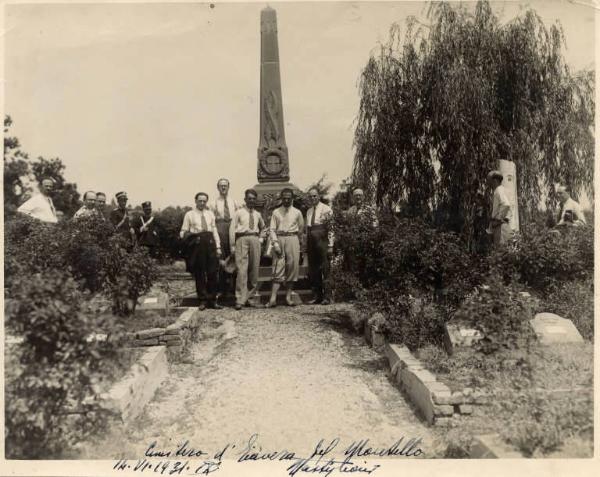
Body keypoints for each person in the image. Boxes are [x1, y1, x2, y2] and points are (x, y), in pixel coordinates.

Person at [180, 192, 222, 310]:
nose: (202, 203)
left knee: (213, 272)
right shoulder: (189, 214)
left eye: (204, 201)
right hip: (198, 244)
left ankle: (213, 300)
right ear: (195, 201)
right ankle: (203, 300)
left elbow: (214, 231)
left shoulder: (210, 214)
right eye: (200, 201)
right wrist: (191, 237)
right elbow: (183, 231)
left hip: (210, 243)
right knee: (200, 273)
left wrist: (218, 247)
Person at [267, 188, 304, 307]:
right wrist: (276, 244)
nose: (286, 200)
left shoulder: (297, 212)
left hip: (293, 239)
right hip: (280, 238)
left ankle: (288, 297)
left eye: (289, 198)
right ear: (281, 198)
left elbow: (301, 229)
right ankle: (273, 299)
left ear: (292, 198)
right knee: (278, 267)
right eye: (284, 198)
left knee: (292, 267)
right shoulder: (276, 212)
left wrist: (298, 243)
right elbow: (272, 229)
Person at [229, 189, 265, 310]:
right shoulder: (239, 212)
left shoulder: (257, 214)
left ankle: (250, 298)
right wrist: (232, 245)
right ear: (245, 200)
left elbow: (264, 228)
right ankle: (239, 299)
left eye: (253, 199)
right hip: (241, 239)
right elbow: (232, 229)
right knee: (241, 270)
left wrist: (261, 239)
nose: (251, 201)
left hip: (254, 239)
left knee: (254, 270)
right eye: (249, 198)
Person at [210, 178, 239, 303]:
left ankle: (234, 288)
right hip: (220, 229)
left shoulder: (234, 202)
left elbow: (238, 218)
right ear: (217, 187)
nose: (223, 188)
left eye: (225, 185)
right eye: (221, 186)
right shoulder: (213, 203)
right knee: (221, 259)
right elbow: (211, 221)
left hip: (232, 229)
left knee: (234, 257)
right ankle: (222, 289)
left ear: (228, 187)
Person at [306, 188, 334, 305]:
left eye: (315, 196)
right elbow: (308, 228)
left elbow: (331, 228)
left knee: (325, 267)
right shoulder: (308, 211)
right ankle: (317, 296)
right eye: (311, 196)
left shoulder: (326, 209)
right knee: (314, 268)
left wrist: (331, 245)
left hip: (322, 238)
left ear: (319, 196)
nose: (313, 198)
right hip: (311, 239)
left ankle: (327, 297)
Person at [486, 170, 512, 248]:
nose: (488, 183)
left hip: (500, 226)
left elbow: (506, 204)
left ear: (495, 180)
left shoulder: (498, 190)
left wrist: (498, 219)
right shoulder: (503, 190)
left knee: (501, 252)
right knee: (503, 252)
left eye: (489, 180)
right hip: (502, 225)